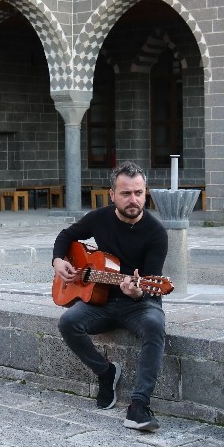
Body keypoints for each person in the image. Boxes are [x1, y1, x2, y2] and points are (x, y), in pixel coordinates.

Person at [52, 161, 168, 432]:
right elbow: (66, 235)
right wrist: (58, 260)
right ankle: (106, 373)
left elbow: (151, 281)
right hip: (101, 301)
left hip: (138, 303)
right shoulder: (99, 218)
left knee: (155, 325)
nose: (133, 200)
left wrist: (137, 289)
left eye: (139, 193)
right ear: (112, 194)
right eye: (126, 193)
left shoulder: (156, 233)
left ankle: (139, 404)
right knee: (68, 322)